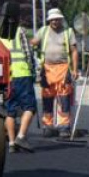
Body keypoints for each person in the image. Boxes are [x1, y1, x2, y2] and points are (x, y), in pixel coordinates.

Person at [0, 5, 36, 153]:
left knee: (10, 111)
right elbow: (28, 53)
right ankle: (21, 137)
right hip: (23, 74)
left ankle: (11, 143)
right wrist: (33, 72)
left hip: (8, 77)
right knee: (30, 107)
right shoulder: (20, 31)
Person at [32, 8, 78, 138]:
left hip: (63, 69)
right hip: (47, 70)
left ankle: (64, 127)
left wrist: (75, 69)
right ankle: (48, 126)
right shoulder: (43, 31)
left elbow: (74, 51)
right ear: (49, 20)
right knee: (47, 99)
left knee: (64, 99)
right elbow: (33, 43)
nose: (55, 21)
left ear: (61, 19)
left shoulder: (68, 32)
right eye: (52, 19)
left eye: (57, 19)